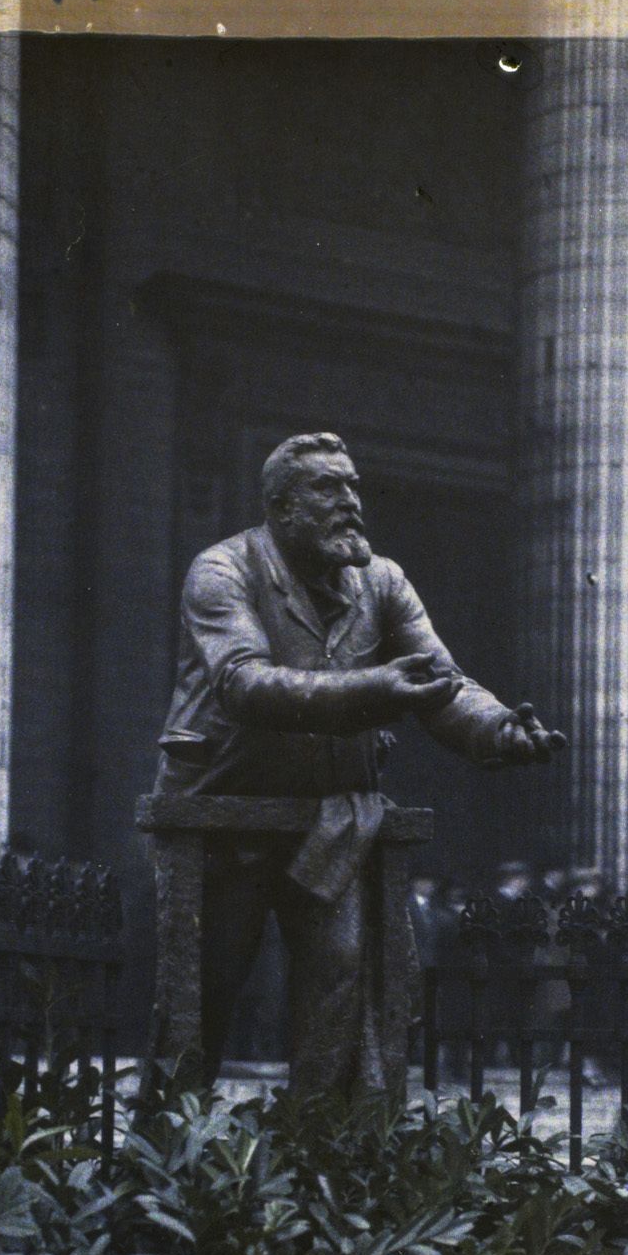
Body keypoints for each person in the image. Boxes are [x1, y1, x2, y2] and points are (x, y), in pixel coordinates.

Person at [151, 431, 564, 1094]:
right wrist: (376, 690)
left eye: (353, 486)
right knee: (205, 995)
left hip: (330, 816)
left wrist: (497, 729)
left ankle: (326, 1157)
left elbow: (444, 684)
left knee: (340, 977)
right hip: (221, 815)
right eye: (327, 488)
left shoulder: (384, 582)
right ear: (281, 507)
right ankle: (170, 1157)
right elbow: (245, 683)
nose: (349, 501)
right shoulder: (224, 571)